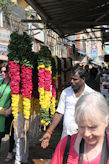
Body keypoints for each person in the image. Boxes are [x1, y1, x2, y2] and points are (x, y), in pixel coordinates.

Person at [40, 65, 95, 149]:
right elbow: (59, 113)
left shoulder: (91, 95)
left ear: (83, 79)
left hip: (85, 140)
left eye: (75, 79)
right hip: (66, 137)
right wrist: (49, 132)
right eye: (71, 79)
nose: (72, 81)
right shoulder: (65, 92)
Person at [51, 92, 109, 163]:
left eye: (92, 127)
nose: (86, 133)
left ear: (106, 121)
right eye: (81, 127)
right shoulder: (65, 145)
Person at [0, 63, 15, 162]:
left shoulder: (13, 83)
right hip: (0, 112)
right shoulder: (0, 82)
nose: (2, 73)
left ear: (9, 72)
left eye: (5, 71)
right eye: (1, 71)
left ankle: (10, 153)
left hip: (9, 113)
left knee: (10, 134)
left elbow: (16, 98)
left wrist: (10, 109)